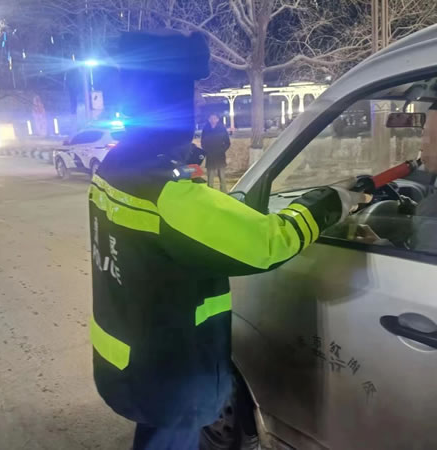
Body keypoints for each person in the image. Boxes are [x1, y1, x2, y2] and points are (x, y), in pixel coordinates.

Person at [89, 30, 367, 450]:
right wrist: (330, 201)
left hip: (128, 358)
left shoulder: (113, 167)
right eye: (190, 97)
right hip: (172, 372)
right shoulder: (170, 194)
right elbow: (268, 242)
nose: (196, 107)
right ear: (172, 104)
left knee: (153, 436)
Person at [357, 92, 437, 253]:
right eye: (424, 135)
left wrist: (376, 244)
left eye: (434, 137)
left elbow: (423, 266)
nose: (422, 145)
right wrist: (416, 211)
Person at [201, 113, 230, 192]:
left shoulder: (222, 129)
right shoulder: (206, 129)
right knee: (210, 177)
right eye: (211, 118)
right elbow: (202, 142)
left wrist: (222, 150)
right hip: (210, 156)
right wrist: (206, 151)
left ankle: (224, 193)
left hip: (220, 155)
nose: (213, 120)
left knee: (222, 177)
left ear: (217, 119)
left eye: (214, 118)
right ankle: (210, 193)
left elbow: (227, 143)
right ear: (209, 119)